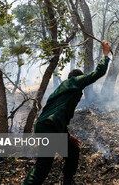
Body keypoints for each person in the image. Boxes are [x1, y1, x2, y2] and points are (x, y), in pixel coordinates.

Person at [23, 41, 112, 185]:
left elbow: (58, 116)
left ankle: (68, 181)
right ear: (77, 78)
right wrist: (105, 54)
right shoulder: (75, 82)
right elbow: (99, 72)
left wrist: (67, 135)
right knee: (42, 168)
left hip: (47, 127)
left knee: (72, 150)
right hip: (49, 129)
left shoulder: (62, 91)